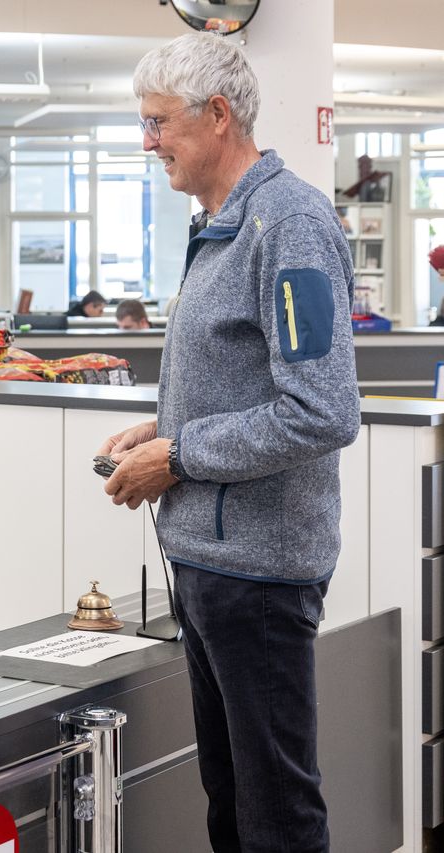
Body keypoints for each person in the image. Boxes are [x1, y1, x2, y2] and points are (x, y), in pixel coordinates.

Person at [98, 33, 359, 853]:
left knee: (274, 813)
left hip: (259, 574)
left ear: (217, 116)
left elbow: (319, 410)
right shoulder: (220, 224)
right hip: (211, 564)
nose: (148, 144)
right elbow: (241, 379)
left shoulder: (288, 226)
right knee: (231, 798)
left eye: (157, 123)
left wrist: (175, 456)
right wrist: (160, 427)